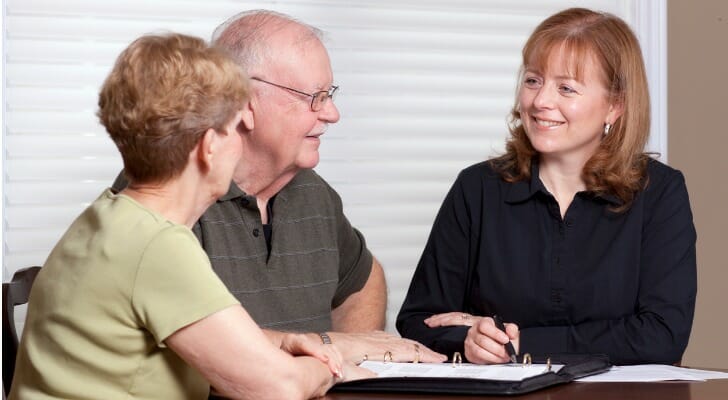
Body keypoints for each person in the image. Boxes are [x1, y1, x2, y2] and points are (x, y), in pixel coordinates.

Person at [10, 33, 372, 400]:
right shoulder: (158, 247)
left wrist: (283, 342)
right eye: (236, 129)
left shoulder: (110, 219)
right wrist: (332, 363)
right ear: (209, 146)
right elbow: (279, 388)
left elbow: (204, 336)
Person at [113, 10, 446, 365]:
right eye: (315, 96)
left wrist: (346, 366)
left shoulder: (314, 193)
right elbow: (200, 342)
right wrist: (334, 346)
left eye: (329, 93)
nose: (332, 114)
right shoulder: (165, 190)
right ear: (243, 101)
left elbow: (363, 280)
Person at [396, 8, 697, 366]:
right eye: (533, 80)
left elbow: (662, 336)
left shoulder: (660, 192)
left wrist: (519, 341)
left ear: (615, 106)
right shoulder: (476, 188)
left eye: (566, 88)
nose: (540, 102)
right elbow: (419, 322)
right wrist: (471, 338)